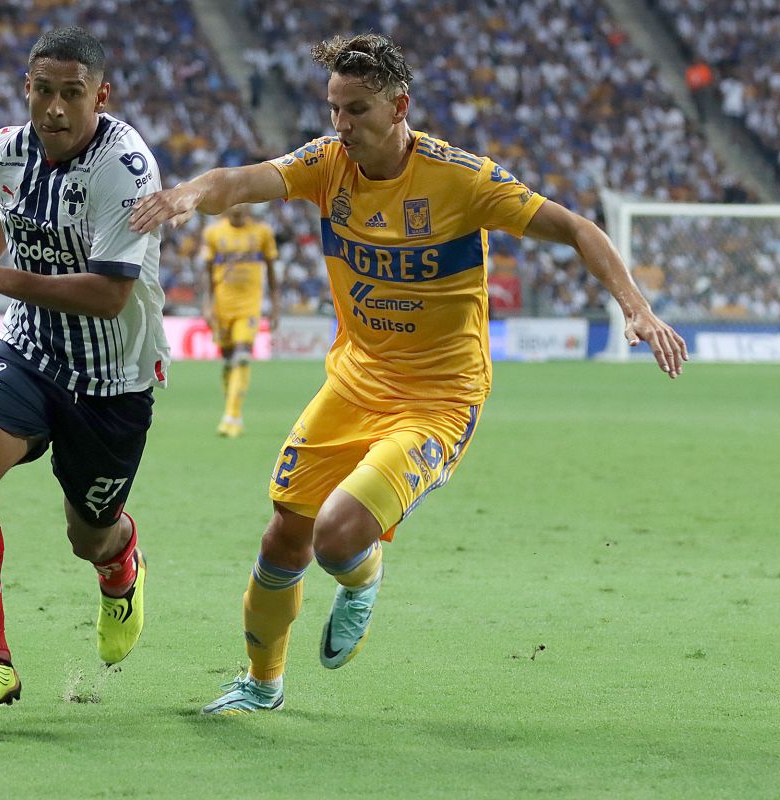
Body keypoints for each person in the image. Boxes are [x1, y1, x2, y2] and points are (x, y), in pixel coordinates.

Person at [130, 33, 688, 715]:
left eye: (356, 110)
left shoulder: (463, 180)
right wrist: (189, 195)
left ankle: (361, 579)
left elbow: (576, 229)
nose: (341, 125)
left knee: (337, 537)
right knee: (284, 530)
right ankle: (262, 683)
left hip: (439, 400)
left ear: (400, 107)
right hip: (355, 381)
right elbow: (242, 182)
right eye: (334, 108)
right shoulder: (326, 164)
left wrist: (636, 308)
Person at [0, 26, 169, 724]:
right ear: (27, 88)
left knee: (88, 535)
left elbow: (109, 293)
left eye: (72, 94)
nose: (55, 109)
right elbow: (1, 198)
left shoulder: (128, 169)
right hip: (29, 351)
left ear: (101, 95)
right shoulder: (6, 148)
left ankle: (119, 565)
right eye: (44, 92)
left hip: (112, 380)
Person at [199, 204, 279, 437]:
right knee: (228, 361)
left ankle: (231, 416)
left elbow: (272, 271)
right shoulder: (213, 233)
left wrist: (275, 307)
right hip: (222, 308)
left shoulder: (262, 232)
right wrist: (206, 305)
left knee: (242, 358)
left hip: (249, 307)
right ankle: (233, 412)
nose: (239, 206)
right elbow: (206, 272)